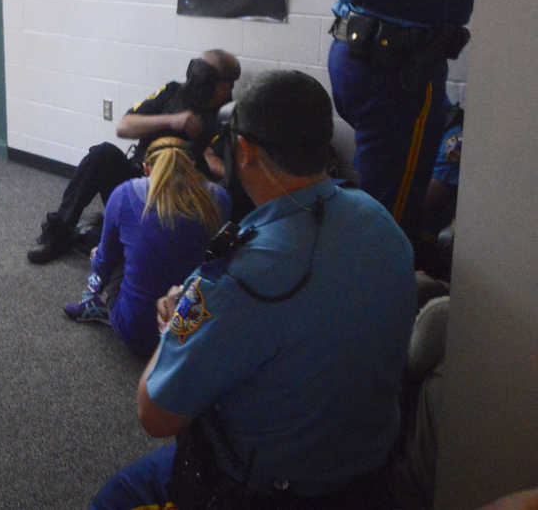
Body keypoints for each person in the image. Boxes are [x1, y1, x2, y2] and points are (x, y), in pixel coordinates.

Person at [93, 71, 417, 509]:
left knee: (115, 498)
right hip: (369, 477)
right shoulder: (379, 220)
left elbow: (155, 414)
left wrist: (176, 326)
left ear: (244, 150)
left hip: (264, 491)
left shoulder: (233, 279)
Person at [327, 0, 485, 244]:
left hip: (363, 55)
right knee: (392, 222)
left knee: (382, 200)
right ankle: (377, 281)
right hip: (399, 69)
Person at [26, 50, 241, 265]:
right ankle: (60, 234)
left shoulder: (227, 118)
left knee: (115, 243)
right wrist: (171, 120)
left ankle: (115, 237)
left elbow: (228, 174)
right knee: (103, 154)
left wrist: (206, 154)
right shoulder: (173, 92)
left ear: (225, 87)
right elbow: (124, 127)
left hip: (176, 200)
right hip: (137, 183)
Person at [63, 136, 231, 359]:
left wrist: (96, 260)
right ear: (191, 165)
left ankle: (94, 302)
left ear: (146, 168)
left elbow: (104, 262)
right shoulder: (219, 198)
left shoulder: (124, 194)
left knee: (105, 252)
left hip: (138, 335)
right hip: (190, 332)